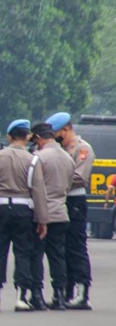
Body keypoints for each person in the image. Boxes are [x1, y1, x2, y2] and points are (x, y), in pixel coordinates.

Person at [0, 119, 49, 312]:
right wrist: (42, 219)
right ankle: (21, 297)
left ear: (9, 137)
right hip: (24, 211)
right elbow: (38, 191)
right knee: (23, 253)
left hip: (1, 210)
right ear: (27, 137)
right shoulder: (33, 159)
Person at [46, 112, 96, 310]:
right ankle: (65, 293)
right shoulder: (62, 150)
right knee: (62, 247)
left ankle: (83, 294)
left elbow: (79, 177)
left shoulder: (82, 148)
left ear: (65, 130)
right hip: (62, 199)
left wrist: (55, 180)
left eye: (57, 134)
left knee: (76, 246)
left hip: (75, 199)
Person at [28, 123, 75, 311]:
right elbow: (70, 184)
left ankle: (37, 295)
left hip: (42, 214)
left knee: (36, 255)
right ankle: (59, 296)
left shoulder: (38, 158)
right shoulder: (68, 157)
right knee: (58, 257)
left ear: (39, 138)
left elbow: (32, 185)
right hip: (61, 212)